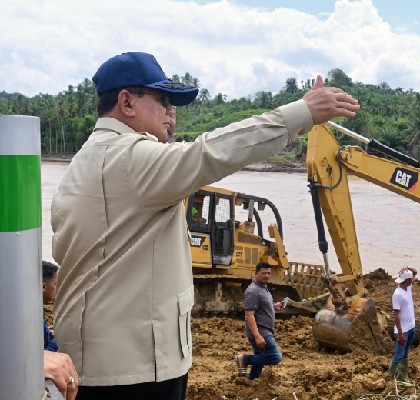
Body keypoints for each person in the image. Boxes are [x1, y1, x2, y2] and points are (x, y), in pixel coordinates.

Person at [51, 51, 359, 400]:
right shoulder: (131, 158)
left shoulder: (84, 162)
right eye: (163, 100)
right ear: (127, 102)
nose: (172, 112)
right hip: (135, 374)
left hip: (93, 364)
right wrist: (301, 113)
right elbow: (211, 152)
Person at [235, 262, 284, 380]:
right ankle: (244, 359)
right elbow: (249, 315)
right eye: (263, 273)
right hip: (261, 332)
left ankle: (252, 381)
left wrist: (274, 306)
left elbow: (260, 307)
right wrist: (257, 336)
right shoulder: (253, 291)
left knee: (260, 358)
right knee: (275, 357)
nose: (267, 276)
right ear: (256, 273)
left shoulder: (263, 288)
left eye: (269, 273)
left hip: (265, 330)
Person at [388, 266, 417, 382]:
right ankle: (390, 375)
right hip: (403, 330)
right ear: (407, 280)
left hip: (411, 327)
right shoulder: (397, 294)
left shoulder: (408, 288)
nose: (413, 280)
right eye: (411, 279)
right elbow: (396, 315)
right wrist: (400, 333)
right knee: (399, 354)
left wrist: (407, 268)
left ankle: (402, 376)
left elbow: (415, 272)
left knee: (405, 353)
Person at [42, 261, 59, 352]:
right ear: (44, 286)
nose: (57, 288)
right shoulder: (35, 315)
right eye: (55, 284)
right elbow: (44, 354)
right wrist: (57, 339)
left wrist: (48, 333)